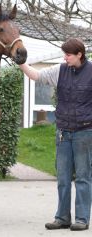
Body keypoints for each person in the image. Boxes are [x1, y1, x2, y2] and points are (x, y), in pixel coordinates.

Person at [19, 38, 92, 231]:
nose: (65, 57)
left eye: (68, 54)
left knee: (83, 177)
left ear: (79, 55)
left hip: (85, 132)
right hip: (63, 132)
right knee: (63, 178)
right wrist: (21, 63)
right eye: (64, 54)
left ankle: (82, 219)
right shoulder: (60, 71)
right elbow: (36, 75)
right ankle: (62, 218)